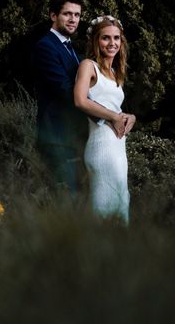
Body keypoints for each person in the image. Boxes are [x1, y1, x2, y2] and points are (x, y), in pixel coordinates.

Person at [74, 15, 135, 224]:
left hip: (119, 147)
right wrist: (113, 117)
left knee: (121, 204)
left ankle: (118, 254)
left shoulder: (116, 72)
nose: (112, 43)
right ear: (95, 41)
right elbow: (80, 101)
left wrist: (130, 117)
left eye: (116, 38)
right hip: (102, 146)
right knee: (102, 208)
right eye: (105, 38)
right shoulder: (88, 66)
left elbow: (114, 107)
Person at [32, 0, 90, 192]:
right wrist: (103, 111)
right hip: (56, 137)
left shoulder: (72, 50)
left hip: (74, 137)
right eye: (67, 14)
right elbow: (65, 90)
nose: (73, 19)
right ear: (53, 15)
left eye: (77, 15)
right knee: (65, 199)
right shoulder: (45, 47)